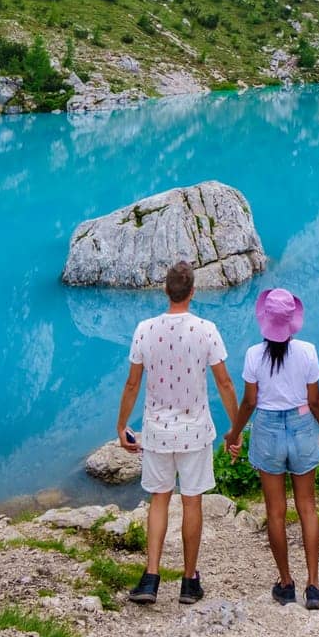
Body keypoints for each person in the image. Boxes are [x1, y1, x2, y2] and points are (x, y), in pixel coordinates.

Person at [117, 259, 239, 607]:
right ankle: (188, 582)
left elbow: (132, 383)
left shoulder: (145, 329)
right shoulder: (206, 329)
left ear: (165, 290)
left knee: (159, 500)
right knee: (191, 502)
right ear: (193, 292)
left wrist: (121, 425)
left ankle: (151, 577)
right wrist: (235, 428)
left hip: (156, 432)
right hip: (195, 432)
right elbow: (225, 382)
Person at [224, 287, 319, 610]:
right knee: (307, 506)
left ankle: (286, 583)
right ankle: (313, 586)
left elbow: (249, 401)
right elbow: (313, 399)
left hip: (268, 429)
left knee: (275, 511)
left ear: (266, 322)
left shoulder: (253, 356)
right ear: (292, 323)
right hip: (301, 427)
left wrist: (234, 434)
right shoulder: (308, 352)